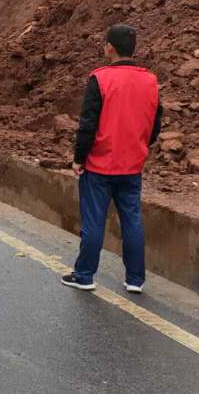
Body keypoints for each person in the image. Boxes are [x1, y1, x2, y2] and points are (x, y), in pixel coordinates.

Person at [63, 23, 163, 295]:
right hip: (132, 166)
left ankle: (84, 275)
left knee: (94, 221)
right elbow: (155, 123)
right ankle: (135, 279)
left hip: (99, 165)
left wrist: (78, 158)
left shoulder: (100, 79)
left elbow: (88, 124)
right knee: (132, 221)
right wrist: (141, 146)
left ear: (110, 47)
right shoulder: (150, 81)